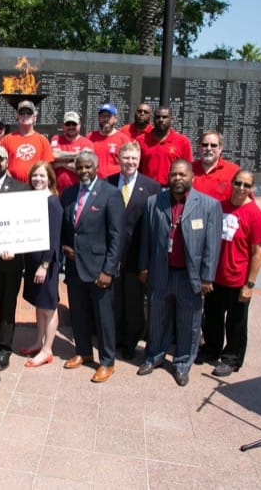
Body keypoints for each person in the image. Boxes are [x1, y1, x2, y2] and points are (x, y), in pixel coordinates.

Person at [137, 159, 222, 387]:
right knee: (157, 319)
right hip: (161, 272)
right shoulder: (154, 202)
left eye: (182, 175)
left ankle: (183, 364)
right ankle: (154, 356)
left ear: (192, 178)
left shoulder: (208, 206)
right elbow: (146, 238)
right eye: (173, 174)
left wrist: (207, 277)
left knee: (189, 323)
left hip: (189, 276)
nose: (177, 179)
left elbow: (212, 247)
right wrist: (144, 266)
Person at [60, 150, 125, 383]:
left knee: (103, 318)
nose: (84, 171)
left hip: (99, 270)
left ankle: (107, 361)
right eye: (80, 167)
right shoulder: (67, 193)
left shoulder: (111, 194)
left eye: (88, 167)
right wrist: (65, 247)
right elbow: (67, 227)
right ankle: (84, 351)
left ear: (96, 168)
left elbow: (117, 236)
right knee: (78, 312)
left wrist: (109, 270)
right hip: (74, 266)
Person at [202, 170, 261, 377]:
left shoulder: (255, 214)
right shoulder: (219, 207)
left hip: (237, 279)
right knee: (212, 317)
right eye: (238, 183)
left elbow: (258, 252)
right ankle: (211, 349)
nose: (241, 188)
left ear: (252, 189)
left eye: (246, 185)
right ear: (232, 183)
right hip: (216, 277)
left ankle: (231, 358)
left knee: (236, 323)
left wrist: (250, 284)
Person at [106, 142, 160, 360]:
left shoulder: (152, 187)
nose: (129, 162)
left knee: (134, 303)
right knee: (113, 300)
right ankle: (115, 337)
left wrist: (147, 263)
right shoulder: (108, 183)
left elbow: (153, 228)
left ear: (139, 160)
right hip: (112, 256)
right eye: (126, 157)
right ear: (118, 158)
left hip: (136, 256)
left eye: (133, 158)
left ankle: (130, 342)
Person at [0, 146, 28, 371]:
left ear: (6, 162)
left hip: (10, 259)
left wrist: (16, 246)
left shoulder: (21, 189)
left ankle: (4, 349)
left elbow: (25, 223)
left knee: (7, 306)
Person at [18, 162, 64, 368]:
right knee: (38, 303)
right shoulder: (31, 200)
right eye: (35, 176)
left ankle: (47, 349)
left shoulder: (52, 202)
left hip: (46, 263)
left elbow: (54, 238)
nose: (38, 179)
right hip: (32, 260)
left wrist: (44, 265)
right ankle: (38, 341)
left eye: (42, 176)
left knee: (49, 307)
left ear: (50, 179)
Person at [136, 106, 192, 187]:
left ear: (171, 119)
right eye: (158, 117)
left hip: (171, 189)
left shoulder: (182, 142)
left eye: (164, 117)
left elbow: (188, 168)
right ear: (153, 119)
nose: (161, 120)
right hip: (147, 187)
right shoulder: (141, 140)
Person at [0, 100, 54, 183]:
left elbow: (47, 167)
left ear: (34, 116)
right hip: (12, 187)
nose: (25, 115)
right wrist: (10, 180)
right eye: (22, 113)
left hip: (35, 186)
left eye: (29, 113)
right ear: (17, 116)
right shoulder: (7, 139)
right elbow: (1, 163)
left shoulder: (43, 140)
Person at [51, 111, 93, 194]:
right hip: (57, 191)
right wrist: (78, 154)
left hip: (79, 191)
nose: (71, 127)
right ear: (63, 125)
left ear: (79, 124)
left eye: (74, 124)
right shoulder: (56, 139)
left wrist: (61, 164)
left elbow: (84, 169)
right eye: (68, 124)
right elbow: (54, 155)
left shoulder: (87, 143)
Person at [192, 130, 240, 201]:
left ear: (220, 149)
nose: (208, 148)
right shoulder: (188, 169)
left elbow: (246, 202)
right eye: (205, 145)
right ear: (198, 148)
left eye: (213, 145)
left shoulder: (234, 171)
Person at [87, 103, 132, 179]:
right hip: (94, 182)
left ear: (115, 118)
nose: (105, 119)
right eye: (103, 116)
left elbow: (129, 163)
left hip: (115, 183)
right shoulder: (90, 137)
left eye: (109, 116)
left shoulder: (123, 139)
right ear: (99, 118)